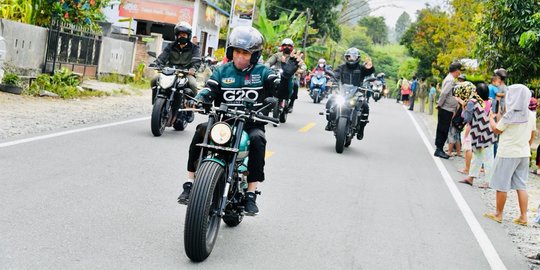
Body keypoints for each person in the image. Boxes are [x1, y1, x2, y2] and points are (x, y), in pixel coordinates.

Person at [177, 26, 300, 215]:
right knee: (201, 130)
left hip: (251, 123)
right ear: (231, 51)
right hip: (223, 122)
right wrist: (201, 99)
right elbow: (209, 89)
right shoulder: (222, 71)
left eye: (245, 53)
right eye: (237, 51)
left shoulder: (264, 72)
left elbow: (282, 93)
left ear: (254, 55)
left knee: (258, 139)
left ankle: (251, 193)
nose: (240, 57)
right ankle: (189, 183)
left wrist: (287, 77)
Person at [485, 84, 536, 226]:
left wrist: (490, 118)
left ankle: (498, 214)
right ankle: (523, 217)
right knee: (521, 185)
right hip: (524, 153)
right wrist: (526, 146)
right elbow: (532, 135)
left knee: (502, 184)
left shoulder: (511, 114)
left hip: (507, 153)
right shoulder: (531, 115)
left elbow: (496, 130)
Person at [325, 47, 375, 140]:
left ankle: (361, 129)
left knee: (365, 106)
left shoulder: (361, 68)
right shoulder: (342, 67)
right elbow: (335, 74)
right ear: (346, 57)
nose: (351, 58)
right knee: (331, 100)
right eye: (349, 56)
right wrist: (332, 80)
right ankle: (329, 122)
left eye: (354, 57)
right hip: (343, 92)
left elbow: (369, 71)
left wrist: (370, 67)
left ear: (358, 58)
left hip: (356, 92)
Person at [457, 83, 496, 188]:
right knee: (487, 157)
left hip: (477, 132)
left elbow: (467, 119)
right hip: (487, 132)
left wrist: (463, 106)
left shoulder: (471, 103)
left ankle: (486, 181)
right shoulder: (490, 102)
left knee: (478, 156)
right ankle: (474, 178)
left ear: (476, 93)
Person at [151, 21, 201, 103]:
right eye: (180, 35)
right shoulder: (171, 46)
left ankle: (191, 105)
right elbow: (163, 57)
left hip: (186, 73)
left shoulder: (194, 48)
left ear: (188, 36)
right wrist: (157, 63)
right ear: (176, 35)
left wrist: (193, 69)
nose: (182, 36)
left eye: (184, 35)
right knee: (154, 80)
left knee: (193, 84)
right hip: (170, 72)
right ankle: (156, 102)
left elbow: (197, 60)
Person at [265, 38, 306, 113]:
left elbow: (303, 66)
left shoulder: (295, 57)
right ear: (281, 46)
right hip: (277, 75)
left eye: (289, 45)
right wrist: (266, 67)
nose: (287, 47)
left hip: (291, 76)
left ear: (292, 47)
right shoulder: (277, 55)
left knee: (296, 85)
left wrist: (299, 70)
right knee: (267, 83)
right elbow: (268, 62)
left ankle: (291, 104)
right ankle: (267, 102)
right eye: (285, 45)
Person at [434, 62, 462, 159]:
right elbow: (444, 94)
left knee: (443, 128)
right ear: (456, 70)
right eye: (459, 70)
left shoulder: (450, 78)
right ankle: (439, 149)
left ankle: (439, 148)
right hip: (446, 108)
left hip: (447, 108)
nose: (460, 73)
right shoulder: (450, 80)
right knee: (443, 129)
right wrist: (439, 104)